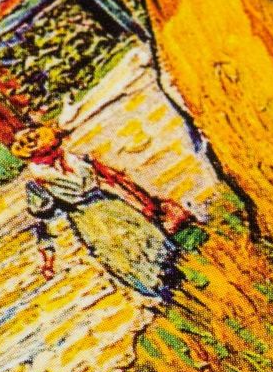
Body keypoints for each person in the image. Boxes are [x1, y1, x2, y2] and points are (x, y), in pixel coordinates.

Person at [18, 121, 180, 298]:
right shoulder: (38, 183)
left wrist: (147, 203)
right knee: (126, 263)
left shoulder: (81, 160)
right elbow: (44, 225)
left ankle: (185, 279)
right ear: (34, 158)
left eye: (53, 148)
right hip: (91, 225)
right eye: (45, 154)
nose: (54, 153)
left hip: (116, 209)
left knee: (155, 246)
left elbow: (117, 178)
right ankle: (168, 295)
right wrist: (48, 261)